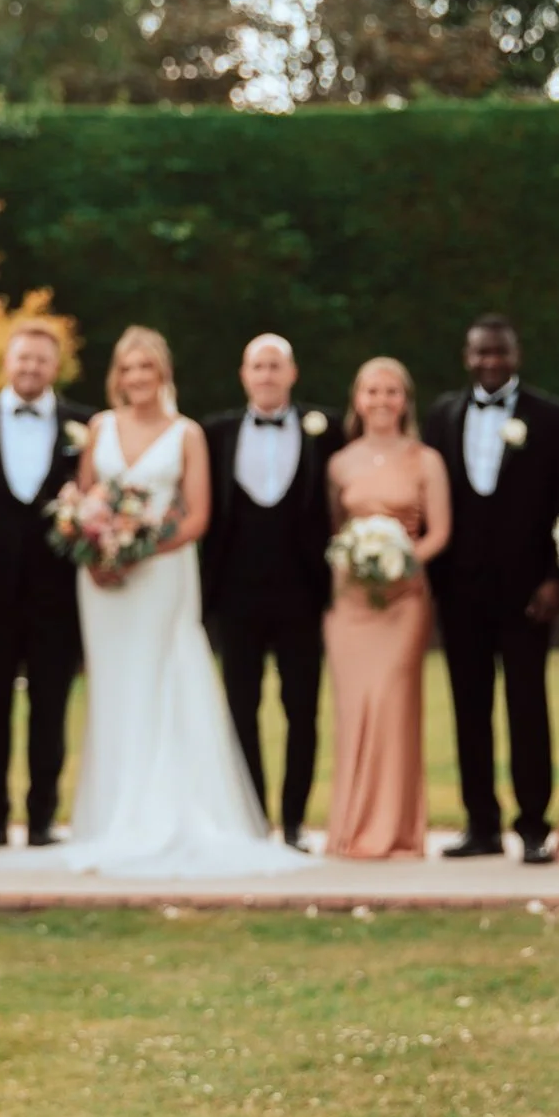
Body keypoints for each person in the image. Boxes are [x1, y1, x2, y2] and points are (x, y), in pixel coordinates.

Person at [3, 326, 307, 880]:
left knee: (164, 678)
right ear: (117, 376)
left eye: (146, 367)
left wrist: (141, 549)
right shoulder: (100, 428)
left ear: (162, 373)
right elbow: (84, 499)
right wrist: (98, 551)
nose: (137, 378)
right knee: (116, 688)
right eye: (127, 369)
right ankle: (111, 816)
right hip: (105, 586)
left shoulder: (186, 433)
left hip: (163, 574)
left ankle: (170, 811)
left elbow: (197, 516)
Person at [422, 315, 559, 864]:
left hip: (528, 595)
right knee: (468, 709)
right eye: (480, 353)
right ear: (465, 356)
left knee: (527, 707)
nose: (489, 362)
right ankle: (480, 825)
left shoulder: (552, 416)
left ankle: (535, 825)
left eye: (499, 352)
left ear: (515, 355)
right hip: (459, 593)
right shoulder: (442, 416)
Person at [200, 333, 341, 851]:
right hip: (234, 597)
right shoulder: (214, 433)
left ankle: (296, 821)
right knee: (240, 709)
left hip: (302, 596)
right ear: (243, 374)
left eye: (275, 366)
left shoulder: (326, 430)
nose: (266, 375)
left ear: (292, 373)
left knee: (302, 709)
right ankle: (252, 818)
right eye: (258, 366)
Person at [0, 323, 91, 849]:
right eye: (23, 359)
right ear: (7, 362)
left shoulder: (83, 426)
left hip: (56, 597)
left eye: (41, 360)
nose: (31, 368)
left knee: (50, 709)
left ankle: (42, 819)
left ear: (54, 367)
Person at [322, 358, 451, 859]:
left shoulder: (426, 460)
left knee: (394, 707)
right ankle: (352, 826)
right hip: (350, 607)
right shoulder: (339, 462)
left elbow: (439, 532)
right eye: (372, 391)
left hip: (404, 601)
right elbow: (334, 530)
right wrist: (354, 563)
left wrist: (400, 563)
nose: (381, 400)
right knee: (354, 710)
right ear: (358, 399)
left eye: (391, 392)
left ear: (405, 400)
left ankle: (395, 830)